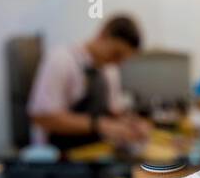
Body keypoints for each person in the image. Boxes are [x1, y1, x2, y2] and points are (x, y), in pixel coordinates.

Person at [27, 15, 152, 153]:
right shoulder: (61, 60)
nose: (118, 62)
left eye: (123, 59)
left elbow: (114, 110)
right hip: (57, 155)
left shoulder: (110, 69)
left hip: (93, 151)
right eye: (116, 54)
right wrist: (100, 125)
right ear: (102, 34)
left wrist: (132, 123)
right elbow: (41, 117)